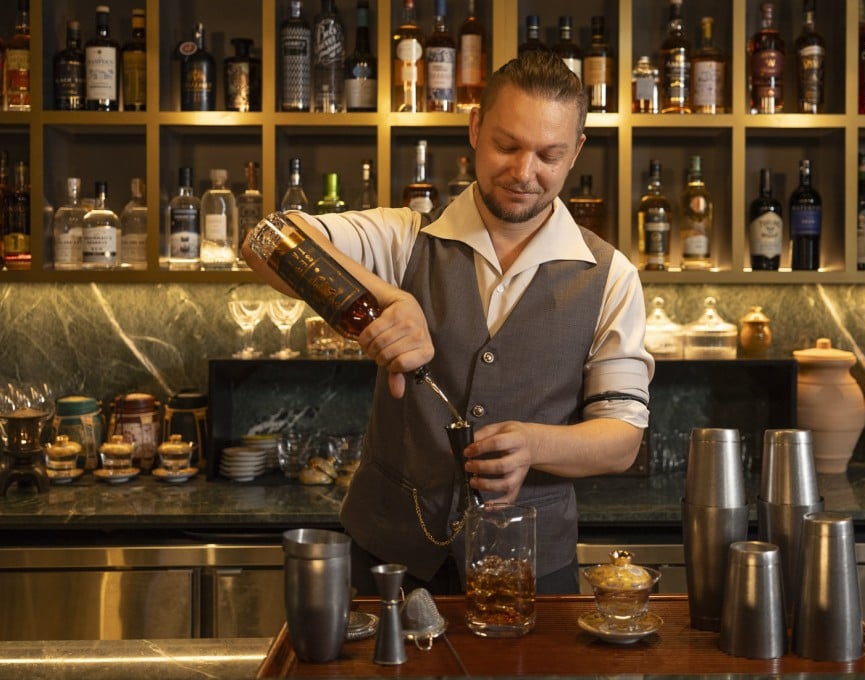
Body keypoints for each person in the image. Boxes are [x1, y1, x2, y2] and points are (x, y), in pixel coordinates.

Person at [243, 51, 653, 595]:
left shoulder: (611, 277)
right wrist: (390, 298)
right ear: (475, 128)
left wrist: (534, 445)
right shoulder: (401, 239)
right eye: (507, 145)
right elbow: (266, 239)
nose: (524, 174)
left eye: (548, 155)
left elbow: (622, 438)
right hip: (388, 561)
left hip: (531, 571)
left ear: (576, 150)